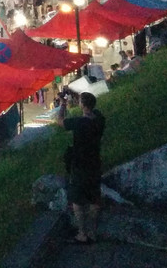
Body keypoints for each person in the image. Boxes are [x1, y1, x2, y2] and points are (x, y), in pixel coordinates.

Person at [57, 91, 106, 244]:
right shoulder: (99, 120)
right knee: (94, 198)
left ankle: (82, 233)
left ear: (83, 106)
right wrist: (76, 95)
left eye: (80, 102)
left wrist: (63, 104)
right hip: (95, 162)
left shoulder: (79, 122)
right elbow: (92, 107)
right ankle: (92, 232)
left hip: (80, 164)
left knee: (77, 201)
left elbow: (60, 121)